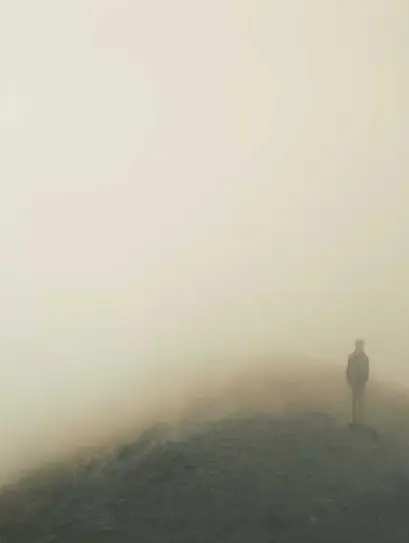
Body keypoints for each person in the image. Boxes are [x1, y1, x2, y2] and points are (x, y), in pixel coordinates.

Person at [346, 339, 369, 425]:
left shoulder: (364, 358)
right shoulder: (351, 357)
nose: (360, 347)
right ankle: (354, 420)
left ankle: (360, 420)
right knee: (354, 402)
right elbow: (348, 369)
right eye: (359, 345)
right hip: (354, 381)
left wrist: (364, 380)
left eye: (361, 345)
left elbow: (367, 371)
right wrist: (349, 379)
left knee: (360, 402)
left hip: (360, 382)